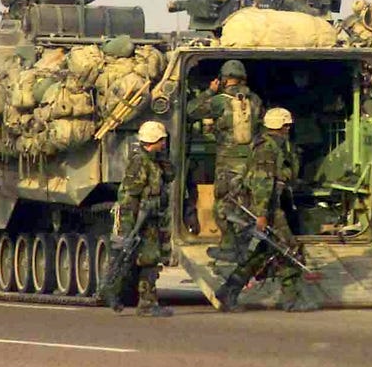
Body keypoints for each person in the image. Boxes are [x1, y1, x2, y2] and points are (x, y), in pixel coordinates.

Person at [214, 108, 319, 312]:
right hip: (266, 208)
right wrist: (262, 214)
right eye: (287, 125)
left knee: (262, 253)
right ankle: (291, 299)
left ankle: (229, 291)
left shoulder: (273, 146)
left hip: (269, 205)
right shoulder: (267, 149)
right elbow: (263, 182)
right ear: (283, 126)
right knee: (290, 249)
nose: (289, 129)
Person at [186, 59, 262, 254]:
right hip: (252, 163)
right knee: (247, 204)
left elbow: (191, 111)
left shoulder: (220, 101)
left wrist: (210, 91)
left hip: (227, 165)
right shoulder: (255, 100)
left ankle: (230, 247)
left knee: (224, 206)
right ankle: (248, 245)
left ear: (223, 79)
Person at [111, 120, 173, 317]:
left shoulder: (155, 161)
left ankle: (146, 301)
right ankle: (144, 302)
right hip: (140, 221)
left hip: (153, 218)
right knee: (145, 260)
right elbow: (129, 197)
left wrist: (163, 159)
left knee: (151, 259)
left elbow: (171, 175)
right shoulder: (139, 163)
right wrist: (129, 228)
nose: (164, 144)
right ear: (153, 140)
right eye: (161, 141)